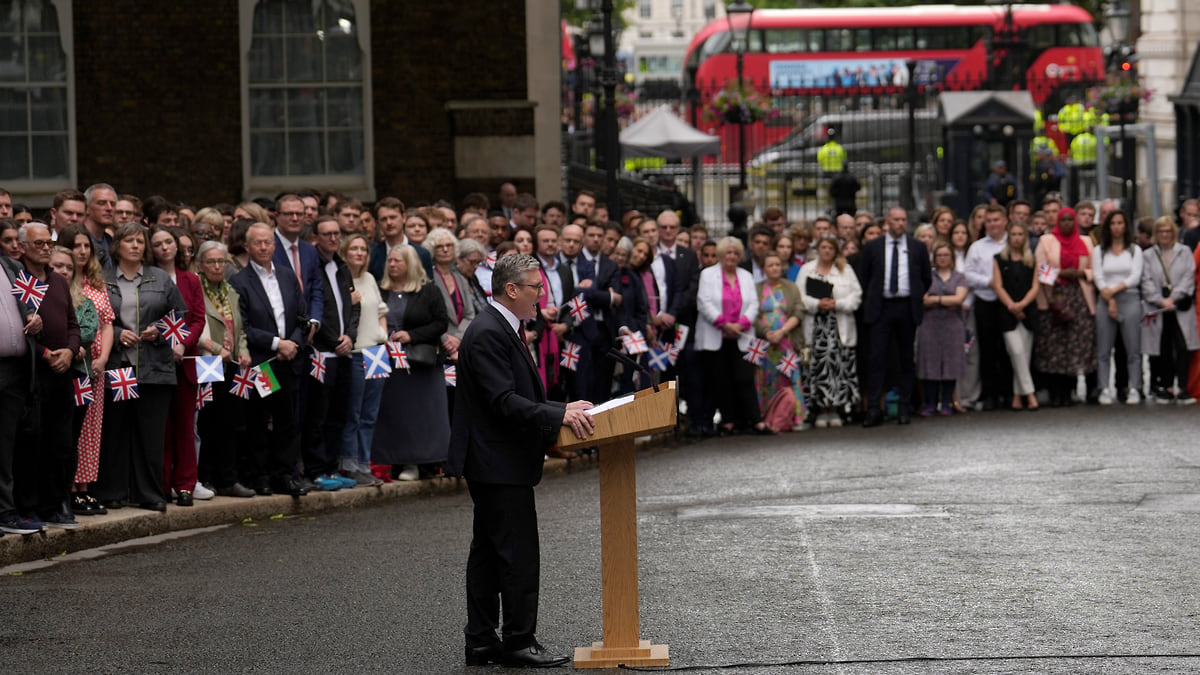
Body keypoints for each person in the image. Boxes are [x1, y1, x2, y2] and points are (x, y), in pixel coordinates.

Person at [446, 253, 594, 669]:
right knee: (516, 554)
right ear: (511, 289)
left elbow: (513, 396)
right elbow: (502, 401)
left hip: (496, 460)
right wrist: (557, 414)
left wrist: (559, 407)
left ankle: (480, 640)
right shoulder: (491, 331)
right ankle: (518, 640)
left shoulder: (501, 326)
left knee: (490, 552)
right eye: (535, 287)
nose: (540, 295)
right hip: (497, 462)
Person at [94, 222, 186, 512]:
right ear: (117, 245)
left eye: (140, 241)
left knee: (151, 433)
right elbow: (94, 316)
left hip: (154, 366)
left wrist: (159, 330)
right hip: (119, 365)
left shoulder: (159, 277)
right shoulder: (103, 278)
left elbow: (181, 317)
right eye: (129, 241)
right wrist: (119, 332)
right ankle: (113, 491)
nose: (136, 246)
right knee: (116, 431)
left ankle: (149, 493)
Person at [229, 223, 310, 498]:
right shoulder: (239, 282)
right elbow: (244, 326)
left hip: (290, 360)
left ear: (274, 246)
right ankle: (259, 476)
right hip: (264, 362)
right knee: (260, 420)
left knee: (288, 420)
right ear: (247, 247)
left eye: (268, 243)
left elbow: (302, 316)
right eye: (258, 243)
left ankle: (284, 475)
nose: (264, 247)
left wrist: (295, 343)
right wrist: (278, 343)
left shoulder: (287, 277)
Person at [373, 245, 450, 481]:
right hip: (386, 360)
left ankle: (420, 463)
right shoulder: (380, 289)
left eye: (398, 261)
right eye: (390, 261)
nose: (392, 265)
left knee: (420, 415)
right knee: (393, 413)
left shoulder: (428, 291)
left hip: (419, 363)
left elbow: (440, 323)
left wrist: (411, 335)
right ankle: (393, 461)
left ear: (411, 264)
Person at [148, 225, 207, 506]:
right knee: (163, 426)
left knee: (185, 426)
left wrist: (182, 343)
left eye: (168, 242)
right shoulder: (148, 279)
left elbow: (197, 319)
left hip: (185, 361)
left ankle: (185, 484)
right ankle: (162, 483)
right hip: (156, 360)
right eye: (158, 243)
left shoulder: (191, 280)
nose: (164, 247)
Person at [858, 206, 932, 426]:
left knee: (906, 359)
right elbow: (865, 276)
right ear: (887, 221)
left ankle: (904, 408)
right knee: (877, 358)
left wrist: (915, 295)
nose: (900, 223)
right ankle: (874, 409)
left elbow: (925, 277)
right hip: (881, 308)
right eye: (896, 220)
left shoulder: (917, 247)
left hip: (907, 307)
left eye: (903, 219)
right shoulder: (873, 247)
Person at [59, 224, 114, 515]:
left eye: (86, 247)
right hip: (72, 363)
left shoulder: (96, 282)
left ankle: (86, 487)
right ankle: (70, 488)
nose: (82, 251)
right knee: (73, 429)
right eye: (76, 246)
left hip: (94, 365)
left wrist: (103, 357)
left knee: (93, 428)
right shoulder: (61, 280)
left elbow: (107, 323)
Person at [194, 240, 255, 498]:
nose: (218, 266)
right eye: (212, 262)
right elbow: (195, 326)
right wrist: (218, 347)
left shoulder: (230, 290)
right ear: (200, 265)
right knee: (208, 421)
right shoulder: (196, 288)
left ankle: (228, 479)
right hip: (208, 362)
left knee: (230, 422)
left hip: (232, 365)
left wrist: (244, 350)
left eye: (222, 261)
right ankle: (205, 477)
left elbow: (238, 327)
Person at [697, 237, 772, 435]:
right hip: (716, 334)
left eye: (736, 253)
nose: (732, 256)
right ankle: (728, 421)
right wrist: (724, 324)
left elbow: (754, 304)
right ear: (721, 254)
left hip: (743, 334)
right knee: (721, 380)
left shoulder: (746, 276)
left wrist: (741, 324)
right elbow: (704, 302)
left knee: (745, 378)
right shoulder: (707, 274)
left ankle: (755, 420)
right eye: (728, 252)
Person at [1034, 207, 1097, 407]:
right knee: (1055, 346)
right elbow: (1041, 269)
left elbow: (1094, 269)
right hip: (1055, 297)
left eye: (1071, 220)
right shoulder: (1046, 241)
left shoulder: (1086, 242)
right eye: (1064, 220)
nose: (1068, 224)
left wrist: (1079, 274)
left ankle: (1071, 390)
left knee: (1077, 343)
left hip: (1079, 296)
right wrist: (1061, 273)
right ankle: (1055, 392)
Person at [337, 233, 386, 486]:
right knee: (352, 412)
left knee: (370, 413)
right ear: (344, 252)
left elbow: (380, 310)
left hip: (376, 352)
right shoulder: (340, 280)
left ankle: (365, 463)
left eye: (363, 249)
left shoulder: (368, 278)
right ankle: (349, 462)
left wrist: (383, 335)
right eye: (354, 249)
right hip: (354, 353)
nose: (359, 253)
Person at [797, 235, 861, 428]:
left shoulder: (845, 270)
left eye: (830, 248)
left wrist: (837, 304)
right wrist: (818, 303)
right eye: (823, 247)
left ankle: (835, 409)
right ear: (818, 249)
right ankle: (820, 411)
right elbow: (798, 297)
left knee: (838, 368)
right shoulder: (806, 269)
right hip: (816, 327)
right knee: (816, 368)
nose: (826, 251)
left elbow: (856, 296)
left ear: (835, 251)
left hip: (838, 326)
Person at [1141, 216, 1198, 404]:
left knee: (1183, 347)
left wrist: (1174, 298)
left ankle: (1183, 387)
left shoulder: (1184, 252)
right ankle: (1165, 386)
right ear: (1156, 234)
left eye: (1168, 231)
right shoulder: (1148, 255)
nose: (1165, 235)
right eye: (1161, 231)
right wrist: (1160, 301)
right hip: (1158, 309)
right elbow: (1146, 281)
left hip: (1180, 307)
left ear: (1173, 233)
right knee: (1162, 348)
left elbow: (1189, 278)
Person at [1092, 210, 1144, 405]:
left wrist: (1114, 291)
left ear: (1125, 226)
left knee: (1133, 349)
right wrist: (1109, 298)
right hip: (1105, 300)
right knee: (1104, 350)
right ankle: (1103, 388)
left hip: (1129, 299)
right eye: (1113, 223)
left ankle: (1134, 388)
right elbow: (1098, 277)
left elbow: (1134, 277)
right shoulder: (1099, 251)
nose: (1116, 227)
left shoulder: (1134, 250)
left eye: (1120, 223)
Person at [991, 220, 1041, 412]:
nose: (1017, 238)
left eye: (1021, 235)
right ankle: (1030, 394)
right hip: (1007, 313)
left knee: (1023, 356)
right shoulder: (999, 259)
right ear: (1008, 237)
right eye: (1014, 235)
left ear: (1025, 237)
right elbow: (998, 286)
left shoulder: (1032, 259)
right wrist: (1012, 306)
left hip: (1028, 312)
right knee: (1017, 352)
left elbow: (1035, 286)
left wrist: (1022, 305)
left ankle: (1017, 397)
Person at [754, 252, 806, 431]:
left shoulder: (791, 287)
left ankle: (795, 416)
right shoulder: (756, 288)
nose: (775, 268)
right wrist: (767, 332)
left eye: (777, 264)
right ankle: (768, 417)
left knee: (789, 377)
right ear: (764, 269)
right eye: (770, 265)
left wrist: (783, 331)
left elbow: (799, 310)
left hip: (787, 341)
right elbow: (752, 314)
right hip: (764, 344)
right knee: (766, 379)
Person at [916, 242, 968, 416]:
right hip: (929, 324)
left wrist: (936, 300)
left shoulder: (959, 277)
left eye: (946, 255)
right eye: (939, 255)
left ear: (951, 258)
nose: (943, 258)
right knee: (929, 363)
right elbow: (923, 300)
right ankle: (930, 403)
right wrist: (947, 300)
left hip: (953, 325)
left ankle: (946, 403)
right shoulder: (926, 276)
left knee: (951, 363)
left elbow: (959, 299)